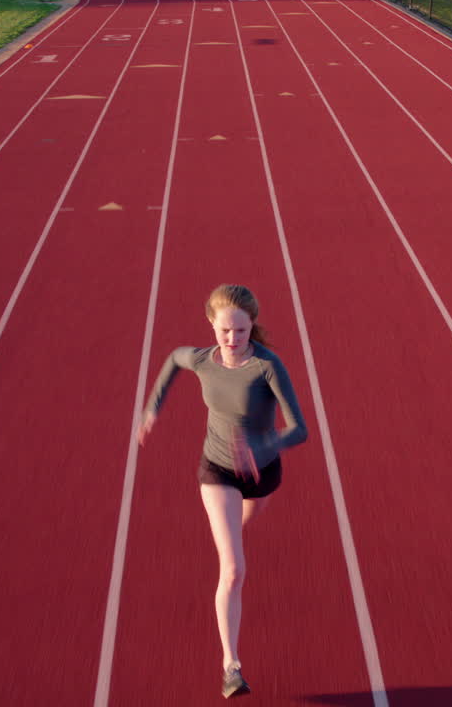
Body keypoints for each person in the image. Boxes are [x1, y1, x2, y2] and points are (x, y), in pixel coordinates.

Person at [137, 284, 308, 699]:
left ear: (252, 327)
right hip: (216, 469)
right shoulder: (200, 359)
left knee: (247, 522)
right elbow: (172, 361)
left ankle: (232, 529)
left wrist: (262, 447)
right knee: (233, 568)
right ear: (211, 324)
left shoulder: (268, 366)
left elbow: (300, 429)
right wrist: (152, 407)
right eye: (225, 330)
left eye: (241, 332)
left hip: (262, 472)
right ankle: (231, 664)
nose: (232, 340)